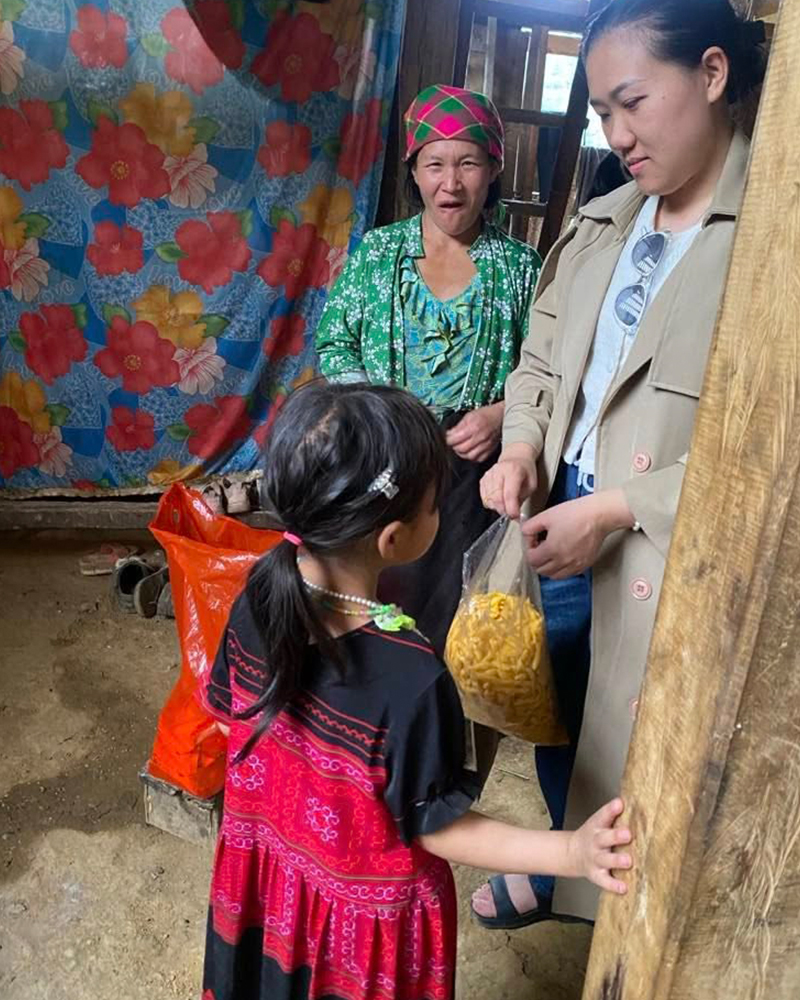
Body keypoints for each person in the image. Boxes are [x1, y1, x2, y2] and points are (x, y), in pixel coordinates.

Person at [472, 0, 767, 928]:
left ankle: (630, 915)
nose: (618, 135)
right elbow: (541, 360)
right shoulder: (605, 222)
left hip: (669, 544)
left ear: (712, 73)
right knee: (566, 705)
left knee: (658, 733)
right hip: (563, 508)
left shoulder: (769, 243)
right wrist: (524, 444)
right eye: (602, 112)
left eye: (633, 102)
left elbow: (771, 455)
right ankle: (568, 868)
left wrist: (620, 507)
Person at [199, 382, 632, 1000]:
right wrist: (572, 853)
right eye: (436, 504)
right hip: (361, 925)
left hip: (270, 884)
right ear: (394, 539)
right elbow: (436, 827)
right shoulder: (413, 674)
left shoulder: (257, 597)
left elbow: (229, 724)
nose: (442, 513)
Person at [315, 85, 541, 656]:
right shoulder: (378, 254)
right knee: (371, 598)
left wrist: (500, 414)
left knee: (454, 619)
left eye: (469, 163)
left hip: (472, 473)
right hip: (382, 454)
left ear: (494, 169)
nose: (451, 183)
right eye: (434, 164)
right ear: (413, 171)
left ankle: (437, 702)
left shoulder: (521, 269)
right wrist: (383, 417)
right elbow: (335, 344)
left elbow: (548, 370)